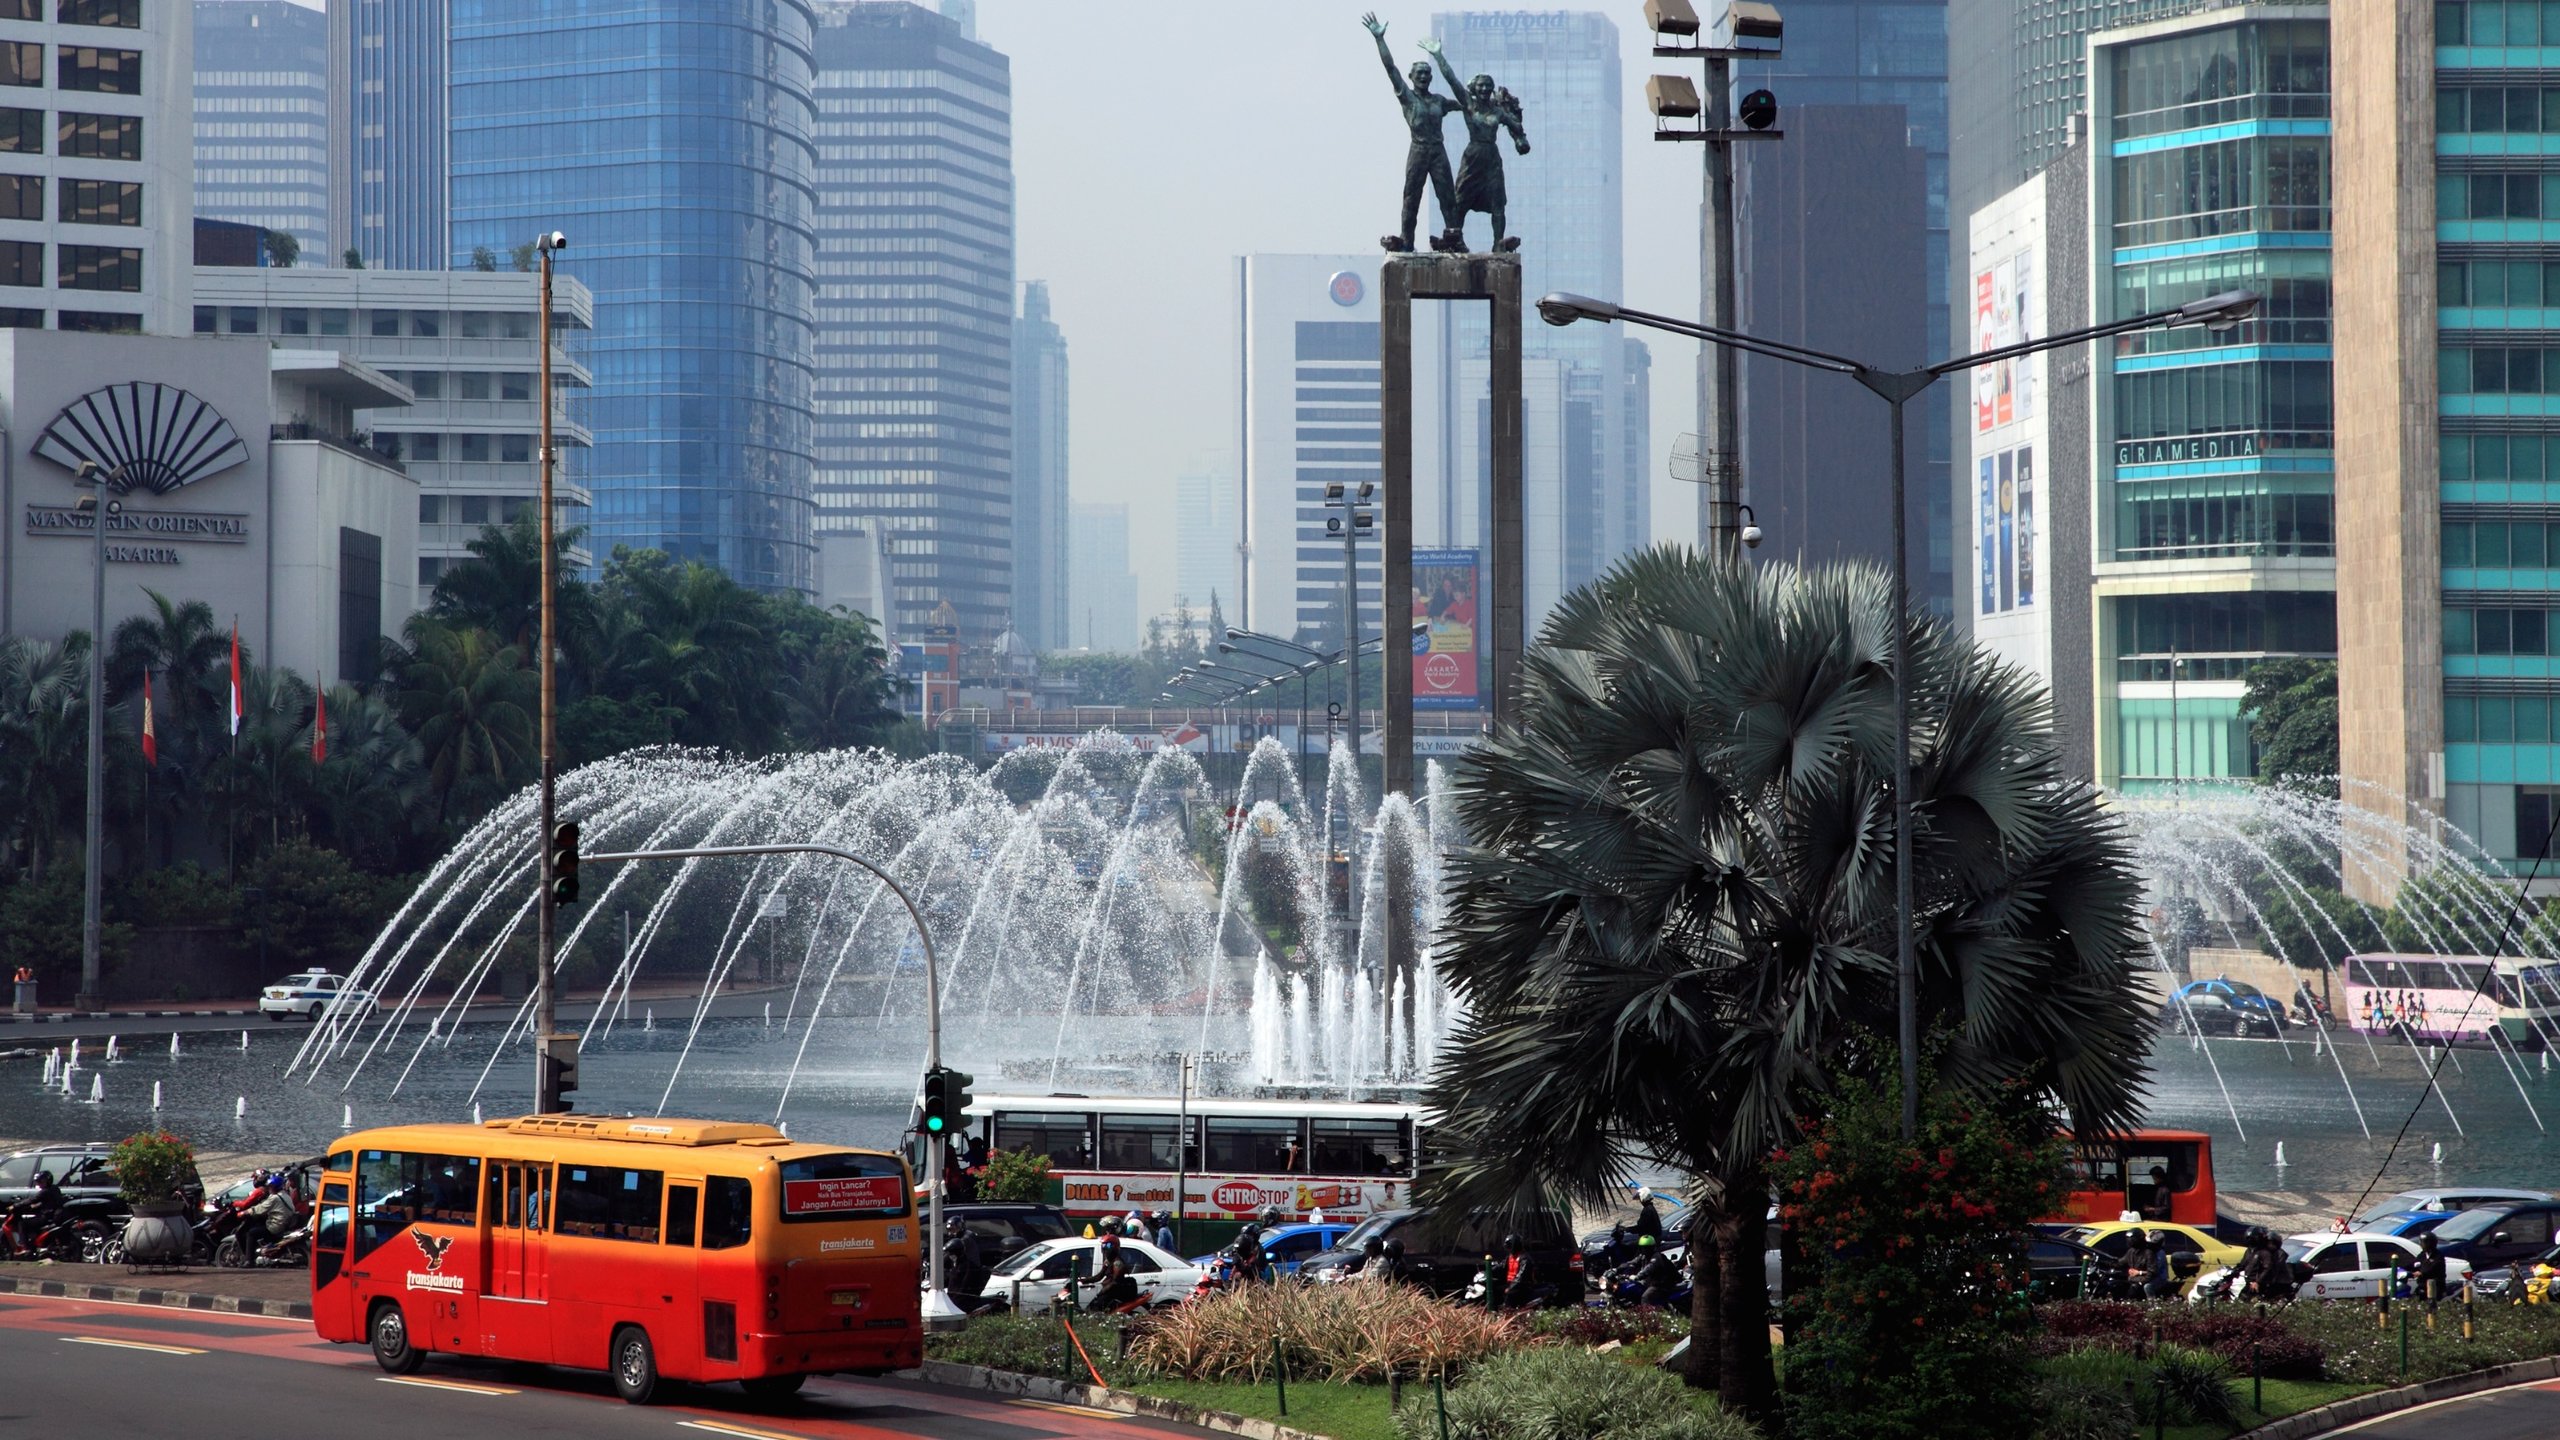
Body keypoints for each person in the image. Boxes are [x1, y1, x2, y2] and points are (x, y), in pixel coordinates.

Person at [1360, 13, 1461, 253]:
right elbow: (1390, 68)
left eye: (1427, 73)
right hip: (1418, 149)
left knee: (1447, 197)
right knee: (1411, 197)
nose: (1424, 76)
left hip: (1438, 150)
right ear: (1412, 78)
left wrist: (1438, 56)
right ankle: (1407, 240)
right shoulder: (1407, 97)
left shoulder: (1439, 101)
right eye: (1420, 73)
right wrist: (1379, 40)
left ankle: (1454, 237)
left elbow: (1466, 102)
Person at [1418, 38, 1531, 252]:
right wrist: (1438, 55)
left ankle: (1498, 243)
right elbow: (1452, 80)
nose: (1485, 89)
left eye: (1488, 86)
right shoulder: (1468, 105)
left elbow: (1515, 127)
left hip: (1492, 158)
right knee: (1460, 200)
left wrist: (1520, 137)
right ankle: (1455, 240)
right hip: (1473, 156)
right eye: (1481, 85)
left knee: (1498, 203)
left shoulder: (1498, 111)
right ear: (1474, 88)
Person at [2414, 1232, 2449, 1311]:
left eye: (2423, 1242)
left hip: (2435, 1286)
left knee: (2432, 1307)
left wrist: (2422, 1273)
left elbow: (2432, 1268)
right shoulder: (2422, 1255)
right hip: (2422, 1285)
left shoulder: (2438, 1255)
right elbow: (2415, 1263)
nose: (2421, 1244)